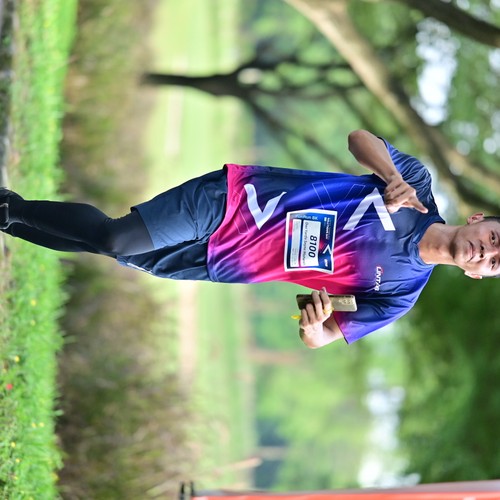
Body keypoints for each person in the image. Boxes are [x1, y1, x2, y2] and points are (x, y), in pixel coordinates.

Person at [1, 130, 499, 347]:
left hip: (227, 261)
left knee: (112, 249)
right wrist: (392, 176)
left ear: (479, 276)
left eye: (496, 262)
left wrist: (312, 324)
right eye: (496, 237)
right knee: (118, 239)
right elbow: (358, 139)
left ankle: (9, 219)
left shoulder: (400, 294)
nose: (489, 251)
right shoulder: (417, 186)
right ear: (479, 218)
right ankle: (9, 206)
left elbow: (324, 337)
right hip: (240, 200)